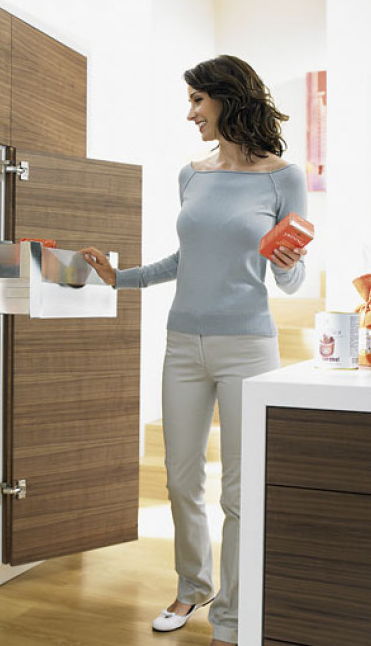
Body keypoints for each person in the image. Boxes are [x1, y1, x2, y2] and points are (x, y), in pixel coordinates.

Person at [80, 54, 309, 646]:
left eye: (197, 102)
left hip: (248, 347)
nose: (190, 115)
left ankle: (231, 616)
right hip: (183, 342)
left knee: (238, 489)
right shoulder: (192, 174)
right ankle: (193, 586)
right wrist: (120, 277)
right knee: (181, 481)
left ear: (227, 100)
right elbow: (187, 259)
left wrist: (289, 263)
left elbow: (290, 278)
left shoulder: (284, 178)